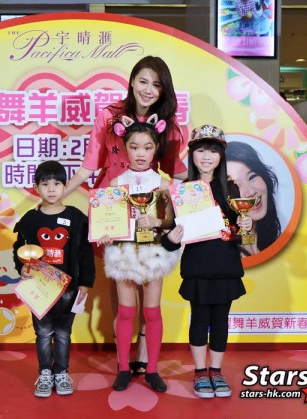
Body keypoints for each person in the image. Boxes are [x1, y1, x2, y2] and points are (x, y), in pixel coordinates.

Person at [65, 55, 188, 377]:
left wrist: (210, 182)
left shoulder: (168, 125)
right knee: (120, 280)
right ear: (132, 81)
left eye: (156, 85)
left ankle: (145, 355)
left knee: (151, 284)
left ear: (164, 90)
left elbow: (177, 171)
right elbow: (89, 167)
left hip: (151, 209)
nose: (148, 89)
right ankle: (122, 358)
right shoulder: (109, 116)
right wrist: (57, 195)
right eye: (143, 81)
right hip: (112, 206)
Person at [161, 124, 252, 399]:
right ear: (192, 154)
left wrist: (245, 227)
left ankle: (217, 371)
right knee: (199, 320)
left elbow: (239, 235)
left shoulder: (232, 188)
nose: (206, 156)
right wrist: (171, 238)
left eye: (213, 151)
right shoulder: (183, 191)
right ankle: (201, 372)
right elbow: (169, 237)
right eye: (201, 150)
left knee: (221, 322)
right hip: (197, 267)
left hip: (226, 267)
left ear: (221, 155)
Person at [97, 116, 181, 393]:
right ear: (125, 148)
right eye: (134, 147)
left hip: (153, 253)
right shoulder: (115, 183)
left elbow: (172, 221)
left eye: (147, 147)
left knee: (152, 312)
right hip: (124, 253)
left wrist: (157, 222)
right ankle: (123, 368)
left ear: (156, 148)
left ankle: (152, 370)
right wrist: (106, 233)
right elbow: (107, 220)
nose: (140, 153)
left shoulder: (164, 184)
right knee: (125, 312)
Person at [12, 160, 95, 398]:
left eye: (57, 184)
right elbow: (19, 248)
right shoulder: (30, 219)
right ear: (36, 187)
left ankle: (61, 373)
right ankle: (45, 374)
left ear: (65, 186)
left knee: (63, 333)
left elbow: (85, 252)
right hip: (39, 289)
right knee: (43, 333)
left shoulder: (76, 218)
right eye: (45, 184)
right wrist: (21, 268)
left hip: (68, 288)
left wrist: (85, 283)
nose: (51, 189)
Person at [226, 141, 281, 256]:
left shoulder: (275, 241)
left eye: (252, 177)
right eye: (235, 185)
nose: (250, 192)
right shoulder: (224, 256)